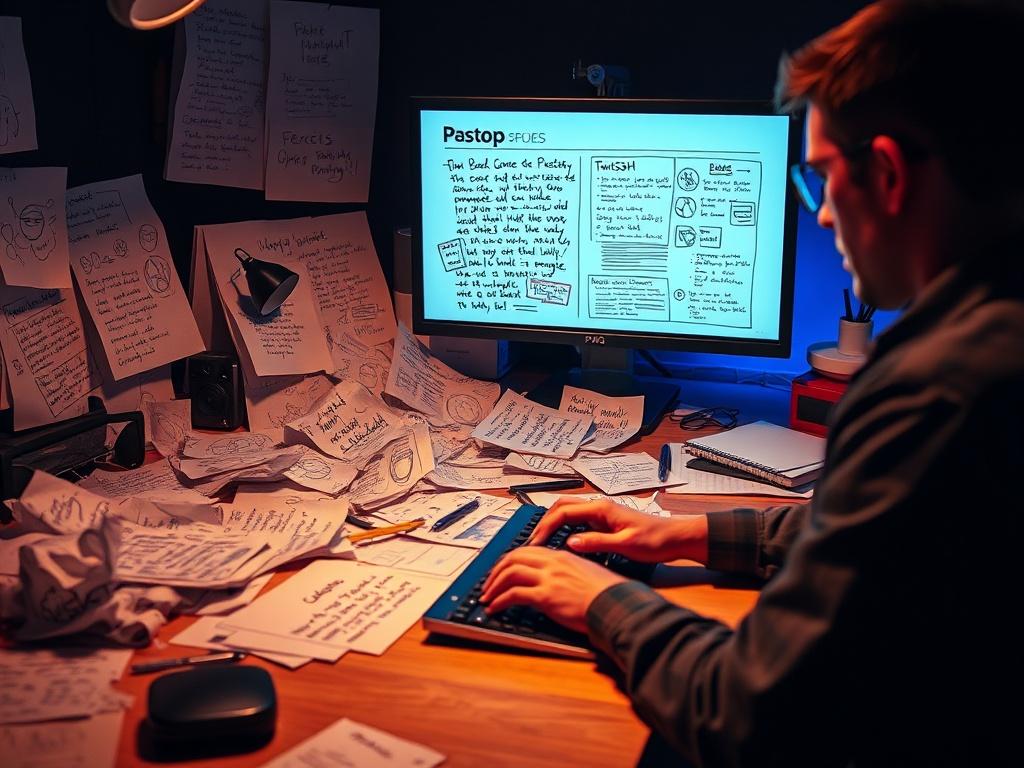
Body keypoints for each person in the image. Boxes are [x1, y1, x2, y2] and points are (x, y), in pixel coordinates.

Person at [480, 1, 1024, 764]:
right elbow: (890, 538)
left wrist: (603, 601)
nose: (825, 215)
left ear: (891, 174)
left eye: (823, 177)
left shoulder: (941, 392)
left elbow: (745, 715)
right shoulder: (993, 340)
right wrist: (691, 532)